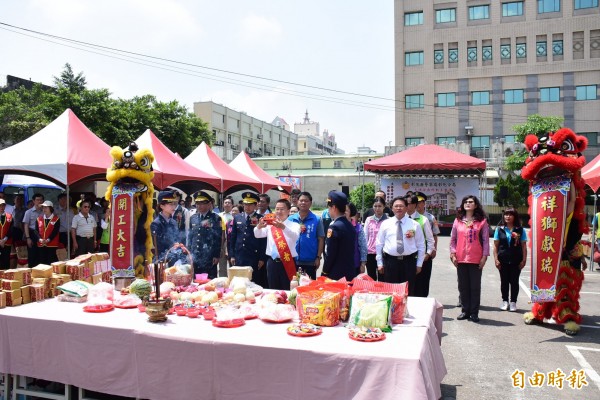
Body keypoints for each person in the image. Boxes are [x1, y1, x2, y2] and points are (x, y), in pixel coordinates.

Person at [450, 195, 489, 323]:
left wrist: (484, 257)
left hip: (475, 259)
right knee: (463, 286)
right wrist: (453, 254)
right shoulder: (458, 221)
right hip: (460, 258)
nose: (468, 203)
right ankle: (465, 311)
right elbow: (453, 239)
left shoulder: (482, 221)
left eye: (471, 202)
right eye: (465, 202)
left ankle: (474, 313)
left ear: (476, 205)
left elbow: (485, 241)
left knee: (475, 287)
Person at [376, 196, 425, 295]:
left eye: (401, 206)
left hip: (409, 262)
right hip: (390, 262)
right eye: (396, 206)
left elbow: (421, 245)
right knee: (390, 292)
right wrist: (380, 263)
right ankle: (393, 311)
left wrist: (419, 264)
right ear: (392, 208)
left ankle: (406, 310)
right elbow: (379, 244)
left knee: (408, 291)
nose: (399, 208)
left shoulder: (414, 224)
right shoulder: (385, 224)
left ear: (407, 208)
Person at [255, 199, 300, 290]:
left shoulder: (294, 225)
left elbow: (294, 236)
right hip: (272, 262)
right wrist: (259, 226)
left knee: (288, 289)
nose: (279, 212)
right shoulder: (270, 225)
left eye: (282, 209)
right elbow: (257, 235)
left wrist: (283, 227)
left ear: (288, 211)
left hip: (288, 261)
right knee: (273, 289)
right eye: (277, 209)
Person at [229, 192, 268, 288]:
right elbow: (233, 237)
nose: (247, 207)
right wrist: (232, 255)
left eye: (250, 204)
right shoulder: (237, 217)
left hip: (254, 255)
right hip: (240, 255)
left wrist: (262, 258)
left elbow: (264, 240)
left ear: (255, 205)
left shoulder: (261, 219)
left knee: (254, 281)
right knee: (239, 282)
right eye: (245, 204)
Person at [493, 208, 527, 312]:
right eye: (506, 214)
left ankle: (513, 302)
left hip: (516, 260)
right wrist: (496, 259)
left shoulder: (520, 230)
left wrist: (524, 260)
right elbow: (495, 246)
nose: (507, 216)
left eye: (510, 215)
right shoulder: (499, 229)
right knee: (504, 281)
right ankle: (505, 301)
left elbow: (523, 246)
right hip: (503, 260)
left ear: (514, 217)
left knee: (514, 281)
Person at [287, 191, 324, 280]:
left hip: (310, 261)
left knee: (309, 288)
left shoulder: (316, 219)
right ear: (297, 202)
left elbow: (321, 239)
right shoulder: (291, 219)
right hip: (293, 260)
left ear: (310, 203)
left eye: (306, 201)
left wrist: (318, 257)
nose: (303, 203)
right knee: (293, 286)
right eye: (301, 200)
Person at [405, 194, 436, 298]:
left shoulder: (424, 219)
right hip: (407, 259)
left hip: (423, 259)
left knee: (421, 286)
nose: (406, 206)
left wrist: (428, 253)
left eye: (408, 204)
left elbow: (430, 239)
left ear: (414, 205)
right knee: (408, 287)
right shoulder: (401, 219)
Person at [322, 191, 356, 280]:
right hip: (349, 273)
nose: (328, 210)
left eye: (329, 207)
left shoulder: (334, 227)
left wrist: (324, 272)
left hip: (335, 274)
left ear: (334, 207)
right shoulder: (350, 225)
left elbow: (330, 254)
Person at [188, 191, 222, 279]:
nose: (199, 206)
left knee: (209, 281)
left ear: (209, 204)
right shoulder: (193, 218)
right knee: (195, 280)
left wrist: (216, 255)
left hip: (209, 255)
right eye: (197, 203)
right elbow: (191, 236)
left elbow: (218, 237)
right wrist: (189, 252)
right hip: (195, 253)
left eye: (202, 203)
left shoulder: (215, 218)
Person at [150, 191, 179, 263]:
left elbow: (177, 238)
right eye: (170, 204)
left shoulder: (173, 222)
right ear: (161, 206)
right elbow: (158, 245)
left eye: (174, 204)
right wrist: (173, 245)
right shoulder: (156, 223)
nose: (173, 207)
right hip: (162, 260)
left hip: (174, 259)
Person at [364, 196, 388, 280]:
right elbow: (365, 237)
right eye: (375, 206)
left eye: (380, 206)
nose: (377, 208)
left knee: (383, 278)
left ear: (384, 207)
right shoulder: (368, 219)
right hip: (370, 253)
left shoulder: (388, 220)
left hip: (383, 253)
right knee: (371, 278)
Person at [22, 193, 45, 266]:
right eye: (37, 200)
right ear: (33, 201)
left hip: (42, 235)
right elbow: (26, 225)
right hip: (32, 234)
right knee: (32, 255)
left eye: (41, 200)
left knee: (41, 255)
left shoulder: (45, 211)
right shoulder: (28, 212)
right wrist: (28, 238)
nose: (39, 202)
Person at [346, 203, 367, 276]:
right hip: (338, 264)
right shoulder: (334, 225)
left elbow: (363, 246)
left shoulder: (358, 227)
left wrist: (363, 263)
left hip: (354, 263)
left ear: (351, 212)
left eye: (346, 210)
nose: (343, 212)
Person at [218, 196, 235, 277]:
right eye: (225, 202)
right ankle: (222, 282)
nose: (227, 204)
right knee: (222, 265)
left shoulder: (235, 216)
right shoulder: (218, 216)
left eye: (229, 203)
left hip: (231, 242)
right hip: (221, 242)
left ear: (232, 205)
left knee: (232, 265)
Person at [0, 199, 14, 269]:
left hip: (6, 242)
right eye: (0, 206)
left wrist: (4, 240)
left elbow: (11, 229)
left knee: (5, 260)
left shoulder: (10, 216)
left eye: (3, 206)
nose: (1, 207)